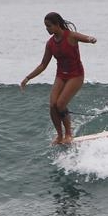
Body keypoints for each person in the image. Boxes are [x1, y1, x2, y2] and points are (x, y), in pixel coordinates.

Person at [20, 12, 97, 145]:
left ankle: (68, 134)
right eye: (45, 26)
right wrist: (28, 78)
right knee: (52, 105)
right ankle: (59, 135)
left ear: (57, 25)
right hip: (61, 75)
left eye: (49, 26)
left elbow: (84, 37)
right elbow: (43, 64)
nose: (47, 29)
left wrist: (91, 39)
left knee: (60, 104)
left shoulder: (70, 36)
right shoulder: (50, 44)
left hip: (76, 75)